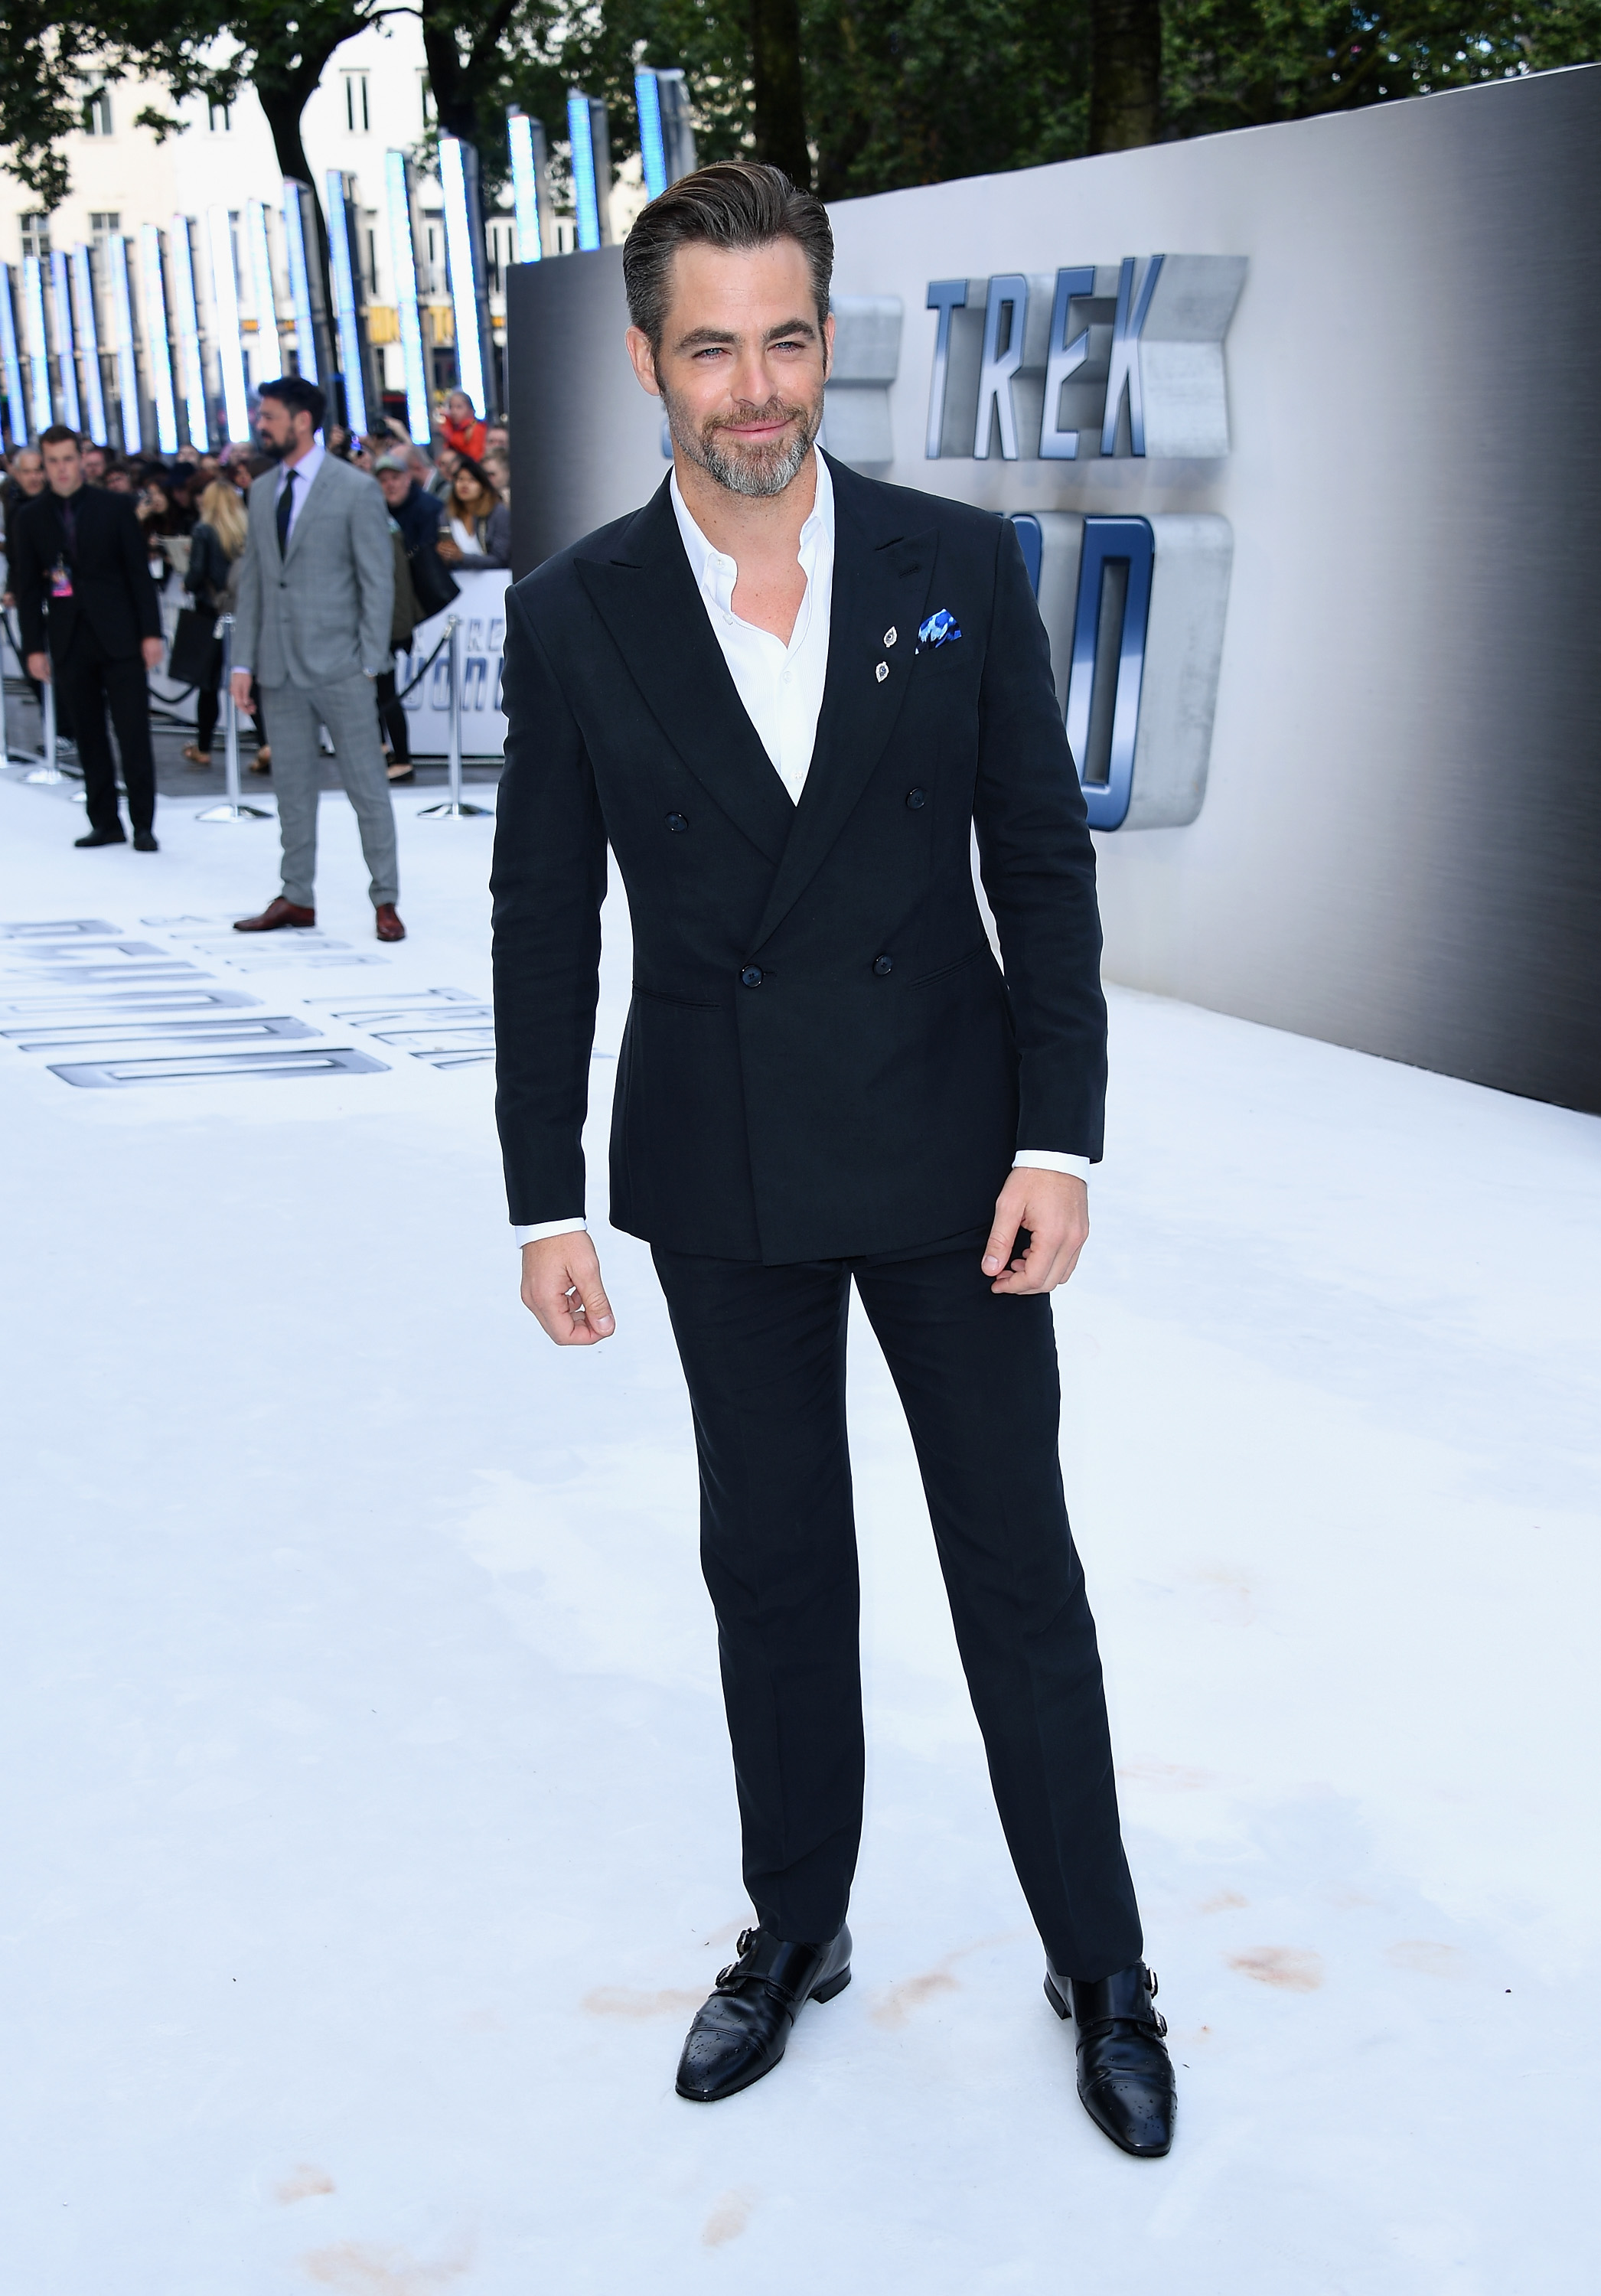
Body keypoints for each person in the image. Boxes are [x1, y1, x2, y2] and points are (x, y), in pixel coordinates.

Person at [491, 162, 1176, 2157]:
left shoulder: (952, 564)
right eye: (710, 345)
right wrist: (544, 1191)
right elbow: (548, 917)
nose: (756, 385)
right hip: (726, 1171)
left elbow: (1038, 875)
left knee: (1013, 1571)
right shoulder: (580, 615)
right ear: (647, 363)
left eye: (785, 336)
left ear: (822, 341)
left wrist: (1059, 1135)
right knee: (770, 1566)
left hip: (958, 1158)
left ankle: (1102, 1966)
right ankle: (795, 1930)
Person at [230, 373, 405, 941]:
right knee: (291, 791)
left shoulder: (353, 489)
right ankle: (296, 896)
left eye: (270, 415)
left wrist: (369, 662)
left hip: (342, 667)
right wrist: (242, 664)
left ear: (302, 421)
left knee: (367, 789)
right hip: (278, 668)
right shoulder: (260, 491)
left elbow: (377, 580)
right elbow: (255, 583)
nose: (262, 424)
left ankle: (385, 899)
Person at [10, 423, 164, 850]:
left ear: (80, 460)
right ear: (45, 464)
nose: (60, 470)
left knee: (133, 730)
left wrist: (152, 632)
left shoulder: (114, 507)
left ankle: (144, 823)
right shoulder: (30, 517)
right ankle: (105, 820)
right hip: (69, 637)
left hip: (121, 635)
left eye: (67, 460)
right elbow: (27, 588)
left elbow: (138, 574)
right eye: (52, 462)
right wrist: (34, 647)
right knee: (88, 732)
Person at [181, 476, 253, 769]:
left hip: (211, 611)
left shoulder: (204, 530)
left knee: (207, 683)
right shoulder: (246, 530)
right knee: (248, 674)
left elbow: (197, 572)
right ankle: (266, 744)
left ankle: (204, 745)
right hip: (243, 608)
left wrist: (188, 581)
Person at [435, 458, 509, 570]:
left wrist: (462, 557)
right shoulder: (446, 515)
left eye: (472, 480)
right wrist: (445, 556)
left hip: (495, 581)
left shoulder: (498, 513)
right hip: (459, 581)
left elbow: (501, 560)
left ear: (483, 486)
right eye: (460, 479)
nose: (464, 485)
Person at [439, 389, 486, 464]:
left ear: (471, 410)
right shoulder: (452, 428)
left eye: (459, 407)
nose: (454, 412)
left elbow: (476, 458)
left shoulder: (476, 429)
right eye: (451, 407)